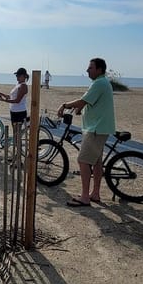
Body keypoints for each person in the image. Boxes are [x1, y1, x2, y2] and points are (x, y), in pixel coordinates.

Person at [58, 58, 115, 207]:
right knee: (96, 162)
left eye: (90, 68)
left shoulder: (99, 83)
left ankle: (84, 197)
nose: (87, 70)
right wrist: (79, 109)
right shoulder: (101, 83)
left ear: (99, 69)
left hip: (96, 128)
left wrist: (64, 105)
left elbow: (82, 101)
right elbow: (88, 102)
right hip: (100, 127)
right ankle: (95, 194)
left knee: (83, 161)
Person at [0, 68, 29, 163]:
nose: (17, 77)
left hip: (19, 113)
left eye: (19, 75)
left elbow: (17, 100)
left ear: (24, 76)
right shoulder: (18, 85)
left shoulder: (23, 86)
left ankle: (18, 159)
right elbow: (10, 97)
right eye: (16, 75)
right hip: (14, 112)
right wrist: (0, 93)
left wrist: (4, 100)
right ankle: (16, 157)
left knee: (17, 136)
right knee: (16, 135)